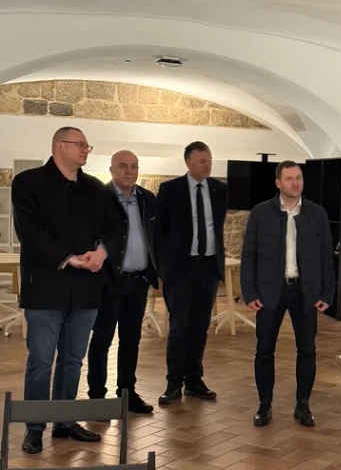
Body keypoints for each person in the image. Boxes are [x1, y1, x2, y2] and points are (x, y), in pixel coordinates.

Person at [12, 126, 120, 453]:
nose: (86, 150)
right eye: (80, 144)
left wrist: (101, 252)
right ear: (60, 146)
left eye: (87, 145)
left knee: (73, 360)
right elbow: (30, 231)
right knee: (41, 361)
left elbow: (115, 226)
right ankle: (34, 427)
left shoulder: (95, 187)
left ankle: (65, 421)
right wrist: (68, 258)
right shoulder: (29, 182)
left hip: (86, 288)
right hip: (45, 287)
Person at [240, 160, 334, 427]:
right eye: (290, 178)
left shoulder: (317, 213)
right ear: (278, 183)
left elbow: (326, 257)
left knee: (307, 349)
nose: (295, 183)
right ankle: (264, 405)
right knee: (264, 349)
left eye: (299, 178)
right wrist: (249, 291)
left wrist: (327, 292)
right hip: (270, 290)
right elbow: (249, 254)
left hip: (305, 291)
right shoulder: (261, 213)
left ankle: (303, 405)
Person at [87, 150, 159, 414]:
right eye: (123, 166)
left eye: (134, 166)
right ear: (111, 170)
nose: (129, 171)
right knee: (102, 339)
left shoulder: (147, 198)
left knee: (131, 340)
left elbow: (155, 235)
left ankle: (127, 393)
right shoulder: (100, 198)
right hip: (108, 283)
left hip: (138, 282)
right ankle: (97, 398)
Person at [156, 141, 227, 405]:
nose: (208, 166)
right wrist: (164, 265)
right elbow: (159, 231)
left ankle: (194, 381)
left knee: (200, 326)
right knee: (179, 327)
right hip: (180, 268)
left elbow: (216, 228)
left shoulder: (219, 189)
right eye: (202, 161)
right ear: (188, 162)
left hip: (208, 267)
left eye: (210, 160)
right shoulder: (170, 189)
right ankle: (173, 383)